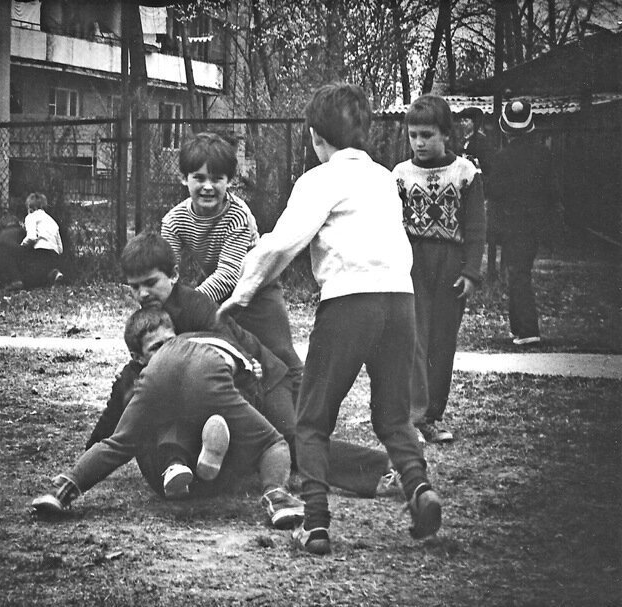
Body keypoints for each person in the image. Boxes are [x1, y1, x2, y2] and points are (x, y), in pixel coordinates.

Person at [219, 83, 442, 556]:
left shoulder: (319, 179)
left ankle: (316, 523)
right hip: (401, 301)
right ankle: (419, 486)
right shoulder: (384, 178)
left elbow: (282, 243)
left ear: (316, 137)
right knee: (393, 415)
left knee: (312, 420)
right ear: (363, 132)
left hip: (349, 303)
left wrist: (242, 293)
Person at [85, 231, 395, 501]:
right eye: (135, 287)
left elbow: (231, 350)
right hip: (221, 381)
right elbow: (134, 380)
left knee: (288, 440)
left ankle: (383, 469)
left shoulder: (196, 307)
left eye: (151, 283)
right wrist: (96, 446)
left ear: (174, 276)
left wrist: (248, 388)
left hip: (262, 376)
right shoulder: (150, 321)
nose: (143, 293)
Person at [32, 306, 305, 530]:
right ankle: (277, 498)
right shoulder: (221, 339)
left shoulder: (155, 355)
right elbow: (253, 391)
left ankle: (61, 490)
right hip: (210, 366)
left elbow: (112, 434)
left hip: (160, 368)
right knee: (272, 441)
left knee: (120, 442)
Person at [160, 132, 304, 399]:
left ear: (230, 181)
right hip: (216, 291)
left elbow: (229, 274)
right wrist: (165, 304)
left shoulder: (237, 214)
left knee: (280, 353)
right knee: (222, 350)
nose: (208, 187)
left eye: (217, 179)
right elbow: (167, 273)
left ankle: (304, 411)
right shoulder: (174, 221)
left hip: (257, 288)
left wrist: (189, 305)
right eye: (199, 178)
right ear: (183, 178)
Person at [393, 95, 486, 445]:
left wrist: (471, 272)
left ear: (446, 134)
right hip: (412, 263)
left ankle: (432, 416)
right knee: (415, 340)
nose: (419, 142)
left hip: (450, 265)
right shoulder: (400, 175)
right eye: (413, 135)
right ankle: (413, 416)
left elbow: (476, 227)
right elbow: (392, 224)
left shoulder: (465, 173)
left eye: (427, 135)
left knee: (442, 342)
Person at [487, 100, 559, 346]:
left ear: (505, 128)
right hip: (536, 225)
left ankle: (528, 330)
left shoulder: (502, 157)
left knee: (518, 274)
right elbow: (552, 192)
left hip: (512, 224)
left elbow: (494, 191)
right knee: (518, 272)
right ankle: (517, 327)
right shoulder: (544, 155)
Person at [459, 106, 499, 282]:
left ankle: (480, 269)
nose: (463, 123)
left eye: (466, 120)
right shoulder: (463, 142)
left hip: (478, 189)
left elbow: (489, 169)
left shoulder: (482, 143)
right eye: (462, 120)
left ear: (475, 123)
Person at [12, 192, 64, 289]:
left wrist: (21, 246)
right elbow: (60, 249)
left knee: (29, 282)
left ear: (30, 208)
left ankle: (22, 280)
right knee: (41, 275)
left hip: (40, 252)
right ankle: (53, 273)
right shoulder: (52, 221)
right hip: (54, 255)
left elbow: (32, 237)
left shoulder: (31, 217)